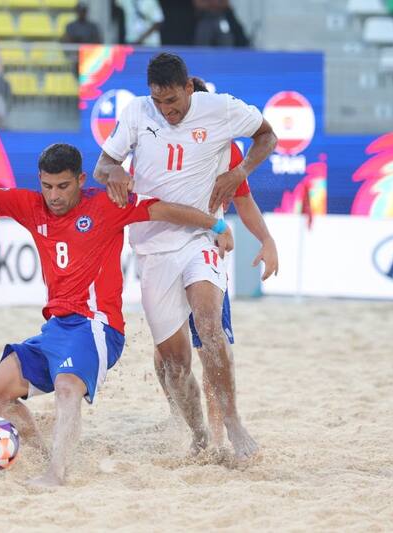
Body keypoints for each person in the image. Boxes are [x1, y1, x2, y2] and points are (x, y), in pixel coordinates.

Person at [0, 143, 232, 486]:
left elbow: (164, 210)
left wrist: (216, 226)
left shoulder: (108, 204)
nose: (54, 196)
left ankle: (56, 473)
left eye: (63, 186)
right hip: (56, 328)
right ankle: (44, 456)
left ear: (81, 180)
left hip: (97, 325)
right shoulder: (31, 206)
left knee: (67, 388)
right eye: (47, 186)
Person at [93, 52, 277, 460]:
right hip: (152, 248)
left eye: (173, 100)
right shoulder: (137, 112)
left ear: (189, 88)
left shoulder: (220, 109)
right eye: (158, 101)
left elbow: (267, 136)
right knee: (173, 362)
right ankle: (198, 435)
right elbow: (101, 166)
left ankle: (232, 421)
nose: (166, 110)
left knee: (209, 325)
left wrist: (240, 172)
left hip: (201, 237)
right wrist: (115, 172)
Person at [155, 76, 279, 443]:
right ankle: (181, 417)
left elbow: (244, 199)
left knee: (210, 339)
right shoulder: (159, 145)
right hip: (164, 254)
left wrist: (267, 239)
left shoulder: (226, 149)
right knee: (165, 354)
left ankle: (220, 430)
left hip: (204, 252)